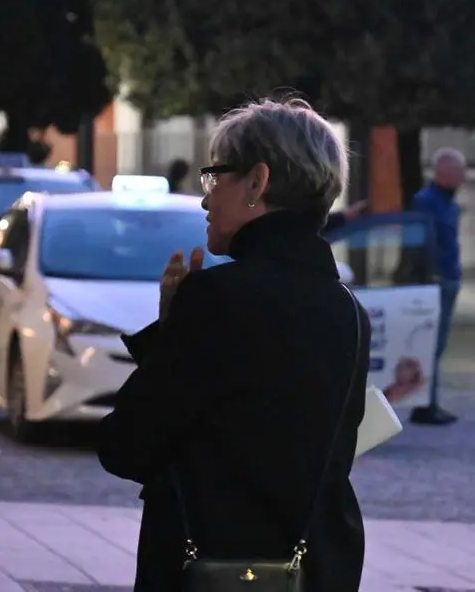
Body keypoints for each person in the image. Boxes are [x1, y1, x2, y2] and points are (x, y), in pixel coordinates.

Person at [97, 98, 369, 592]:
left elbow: (125, 446)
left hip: (213, 569)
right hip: (318, 569)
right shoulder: (348, 310)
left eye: (215, 175)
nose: (205, 198)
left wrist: (171, 324)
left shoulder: (217, 300)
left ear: (257, 182)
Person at [408, 147, 466, 426]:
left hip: (449, 279)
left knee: (438, 346)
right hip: (437, 282)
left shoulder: (449, 203)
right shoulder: (426, 202)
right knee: (432, 345)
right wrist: (433, 275)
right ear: (444, 172)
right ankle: (425, 404)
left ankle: (429, 401)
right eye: (459, 171)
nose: (464, 176)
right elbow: (424, 245)